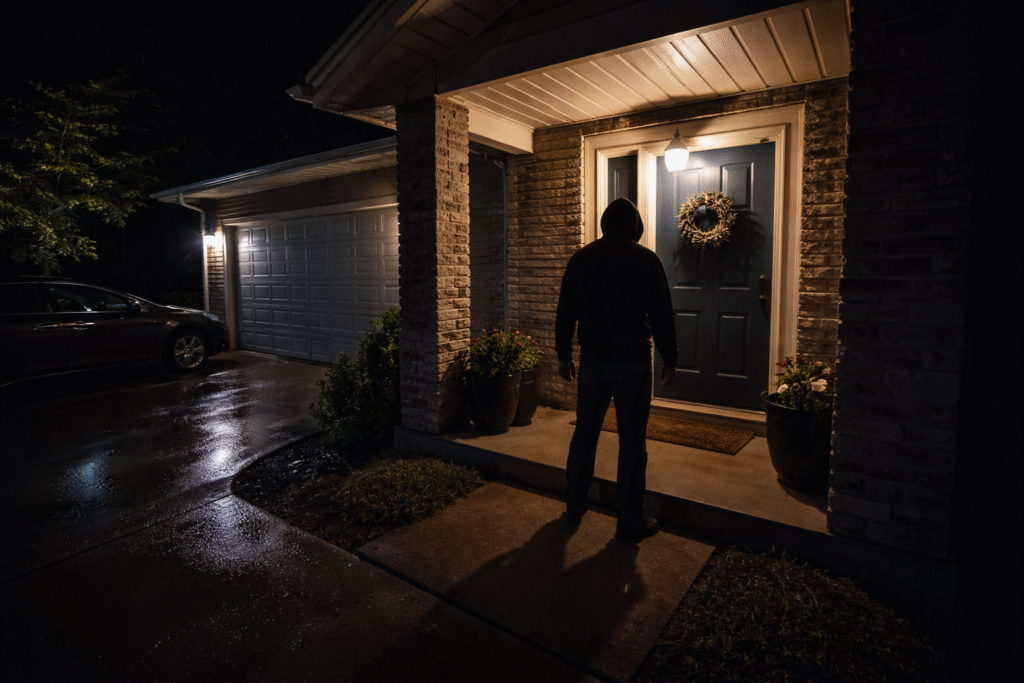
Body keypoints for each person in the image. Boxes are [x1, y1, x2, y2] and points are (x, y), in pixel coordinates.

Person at [555, 197, 678, 542]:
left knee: (584, 436)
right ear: (635, 227)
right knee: (632, 444)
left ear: (605, 225)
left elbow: (566, 310)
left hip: (592, 363)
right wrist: (670, 358)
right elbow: (662, 315)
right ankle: (629, 522)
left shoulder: (582, 259)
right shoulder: (646, 260)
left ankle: (574, 506)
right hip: (632, 363)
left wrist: (564, 354)